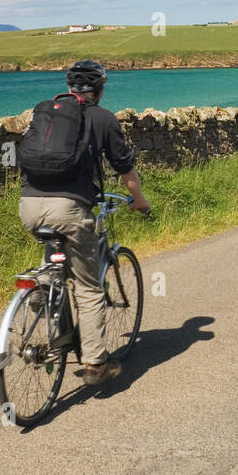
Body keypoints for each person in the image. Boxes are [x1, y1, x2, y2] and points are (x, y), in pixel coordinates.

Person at [18, 60, 150, 385]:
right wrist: (139, 200)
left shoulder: (45, 111)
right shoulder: (102, 118)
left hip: (29, 205)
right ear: (100, 89)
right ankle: (94, 364)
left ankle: (43, 289)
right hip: (70, 208)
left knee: (55, 253)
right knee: (89, 289)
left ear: (69, 87)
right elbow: (124, 166)